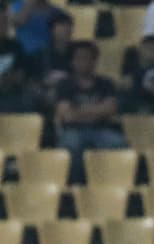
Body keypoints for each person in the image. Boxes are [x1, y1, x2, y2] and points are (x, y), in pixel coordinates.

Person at [54, 41, 128, 184]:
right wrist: (97, 110)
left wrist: (79, 111)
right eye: (79, 58)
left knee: (118, 144)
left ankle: (112, 186)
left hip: (101, 130)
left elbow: (110, 109)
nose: (83, 62)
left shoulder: (106, 83)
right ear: (73, 61)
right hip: (73, 131)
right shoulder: (65, 85)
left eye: (87, 58)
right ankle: (75, 188)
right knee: (71, 146)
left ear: (94, 61)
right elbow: (67, 116)